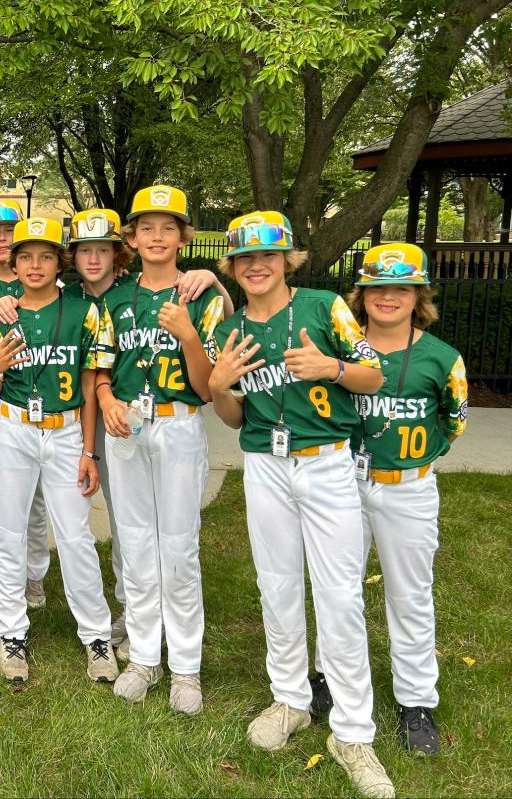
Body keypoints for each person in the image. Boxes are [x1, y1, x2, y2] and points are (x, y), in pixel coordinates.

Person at [205, 211, 394, 798]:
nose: (256, 265)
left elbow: (376, 375)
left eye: (268, 255)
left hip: (327, 459)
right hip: (264, 462)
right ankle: (289, 698)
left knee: (338, 593)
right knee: (277, 583)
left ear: (287, 260)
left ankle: (352, 731)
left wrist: (332, 367)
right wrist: (217, 386)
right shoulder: (228, 327)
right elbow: (236, 418)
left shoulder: (324, 305)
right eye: (244, 257)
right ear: (232, 267)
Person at [0, 201, 231, 662]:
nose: (94, 259)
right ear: (74, 258)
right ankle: (102, 602)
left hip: (142, 412)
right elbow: (25, 294)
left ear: (119, 252)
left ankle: (132, 609)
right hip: (92, 409)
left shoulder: (139, 286)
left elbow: (215, 327)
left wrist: (214, 278)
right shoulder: (71, 295)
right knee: (117, 513)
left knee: (136, 524)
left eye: (103, 249)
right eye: (84, 251)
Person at [94, 186, 223, 714]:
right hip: (126, 426)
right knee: (136, 544)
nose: (157, 237)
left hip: (177, 423)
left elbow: (210, 385)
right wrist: (104, 398)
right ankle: (145, 656)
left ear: (183, 236)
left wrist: (190, 336)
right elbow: (101, 367)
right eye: (146, 227)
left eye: (168, 227)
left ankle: (185, 667)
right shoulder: (115, 298)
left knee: (179, 546)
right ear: (131, 237)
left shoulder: (202, 296)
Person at [339, 243, 465, 755]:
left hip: (408, 487)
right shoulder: (341, 347)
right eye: (377, 288)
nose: (387, 297)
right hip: (343, 483)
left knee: (409, 594)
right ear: (362, 294)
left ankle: (415, 700)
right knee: (337, 587)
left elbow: (453, 422)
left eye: (401, 288)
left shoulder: (442, 357)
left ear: (419, 296)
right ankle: (331, 674)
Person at [0, 216, 115, 684]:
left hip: (66, 431)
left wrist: (89, 450)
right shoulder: (2, 310)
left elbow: (91, 380)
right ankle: (11, 631)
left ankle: (96, 635)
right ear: (12, 263)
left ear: (60, 262)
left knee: (75, 534)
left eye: (45, 256)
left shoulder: (83, 310)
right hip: (14, 427)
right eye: (25, 256)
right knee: (8, 531)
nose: (35, 265)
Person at [0, 200, 51, 607]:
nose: (2, 239)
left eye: (9, 232)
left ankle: (34, 571)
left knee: (34, 491)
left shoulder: (39, 280)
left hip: (30, 395)